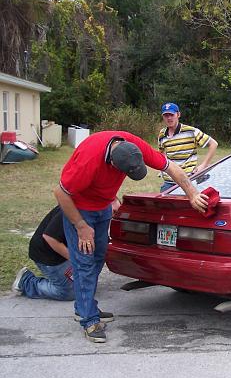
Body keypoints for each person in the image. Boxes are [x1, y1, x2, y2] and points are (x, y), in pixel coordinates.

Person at [53, 130, 209, 343]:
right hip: (80, 210)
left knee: (98, 257)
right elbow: (61, 193)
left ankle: (83, 307)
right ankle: (89, 319)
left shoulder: (134, 145)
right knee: (84, 263)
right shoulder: (89, 160)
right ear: (113, 164)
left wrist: (192, 193)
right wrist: (80, 226)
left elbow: (171, 166)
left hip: (102, 207)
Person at [12, 201, 121, 321]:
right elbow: (49, 238)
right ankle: (27, 281)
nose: (112, 216)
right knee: (70, 292)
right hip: (48, 255)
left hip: (68, 252)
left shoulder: (99, 216)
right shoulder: (72, 210)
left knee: (86, 278)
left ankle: (84, 304)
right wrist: (78, 261)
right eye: (114, 211)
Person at [158, 102, 219, 192]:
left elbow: (213, 144)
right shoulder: (162, 134)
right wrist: (163, 169)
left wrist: (204, 165)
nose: (169, 118)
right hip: (169, 182)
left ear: (178, 114)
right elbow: (161, 152)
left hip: (188, 180)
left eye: (171, 115)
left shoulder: (191, 131)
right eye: (166, 115)